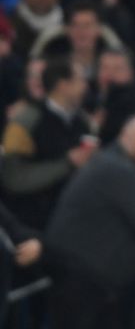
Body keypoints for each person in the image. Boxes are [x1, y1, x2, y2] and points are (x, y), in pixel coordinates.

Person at [45, 114, 135, 329]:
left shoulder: (112, 163)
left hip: (81, 277)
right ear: (125, 136)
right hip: (82, 279)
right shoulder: (118, 169)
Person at [0, 57, 95, 230]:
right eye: (80, 80)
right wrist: (67, 163)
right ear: (62, 85)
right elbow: (13, 178)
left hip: (71, 221)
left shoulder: (82, 122)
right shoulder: (25, 122)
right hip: (29, 224)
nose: (85, 86)